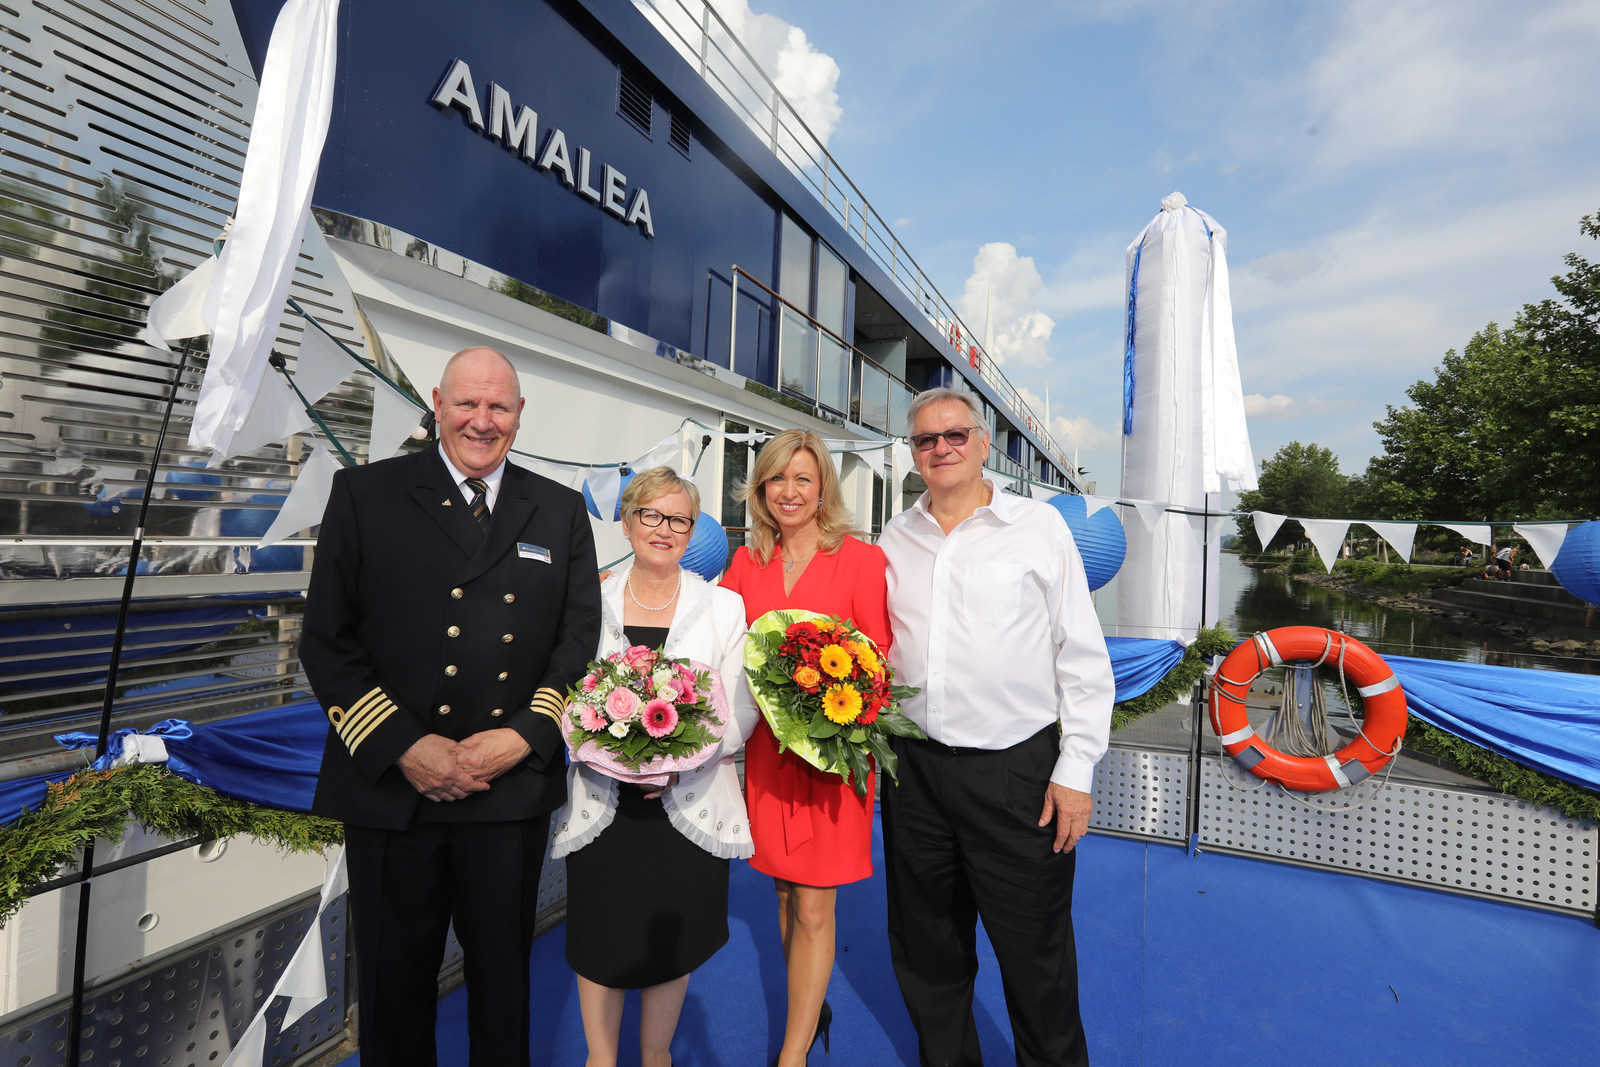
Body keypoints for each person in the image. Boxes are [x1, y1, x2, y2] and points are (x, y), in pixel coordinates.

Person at [300, 346, 601, 1066]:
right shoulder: (365, 494)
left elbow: (577, 641)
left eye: (499, 406)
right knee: (393, 992)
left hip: (506, 789)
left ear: (520, 415)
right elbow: (327, 641)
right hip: (394, 787)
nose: (482, 421)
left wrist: (523, 737)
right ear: (437, 404)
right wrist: (406, 745)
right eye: (467, 403)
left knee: (502, 989)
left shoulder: (557, 509)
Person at [878, 386, 1115, 1067]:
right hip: (914, 772)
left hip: (1016, 774)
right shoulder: (895, 537)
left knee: (1036, 955)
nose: (942, 447)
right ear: (913, 453)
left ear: (983, 444)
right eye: (927, 439)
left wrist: (1076, 769)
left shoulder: (1039, 529)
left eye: (956, 434)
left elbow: (1082, 655)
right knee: (927, 949)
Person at [551, 467, 757, 1067]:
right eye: (651, 515)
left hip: (686, 803)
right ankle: (600, 1059)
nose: (664, 529)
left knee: (673, 943)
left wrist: (678, 765)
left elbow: (740, 705)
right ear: (627, 522)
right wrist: (607, 757)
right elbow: (566, 692)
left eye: (679, 520)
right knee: (599, 936)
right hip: (604, 802)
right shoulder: (588, 599)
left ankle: (657, 1057)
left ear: (693, 531)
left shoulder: (724, 606)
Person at [720, 428, 891, 1067]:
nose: (788, 491)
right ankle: (811, 1008)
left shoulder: (861, 560)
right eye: (776, 479)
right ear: (760, 488)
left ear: (823, 488)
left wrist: (828, 711)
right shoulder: (746, 563)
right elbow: (721, 647)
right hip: (769, 758)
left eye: (802, 479)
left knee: (816, 904)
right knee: (785, 895)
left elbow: (878, 663)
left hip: (833, 759)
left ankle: (791, 1057)